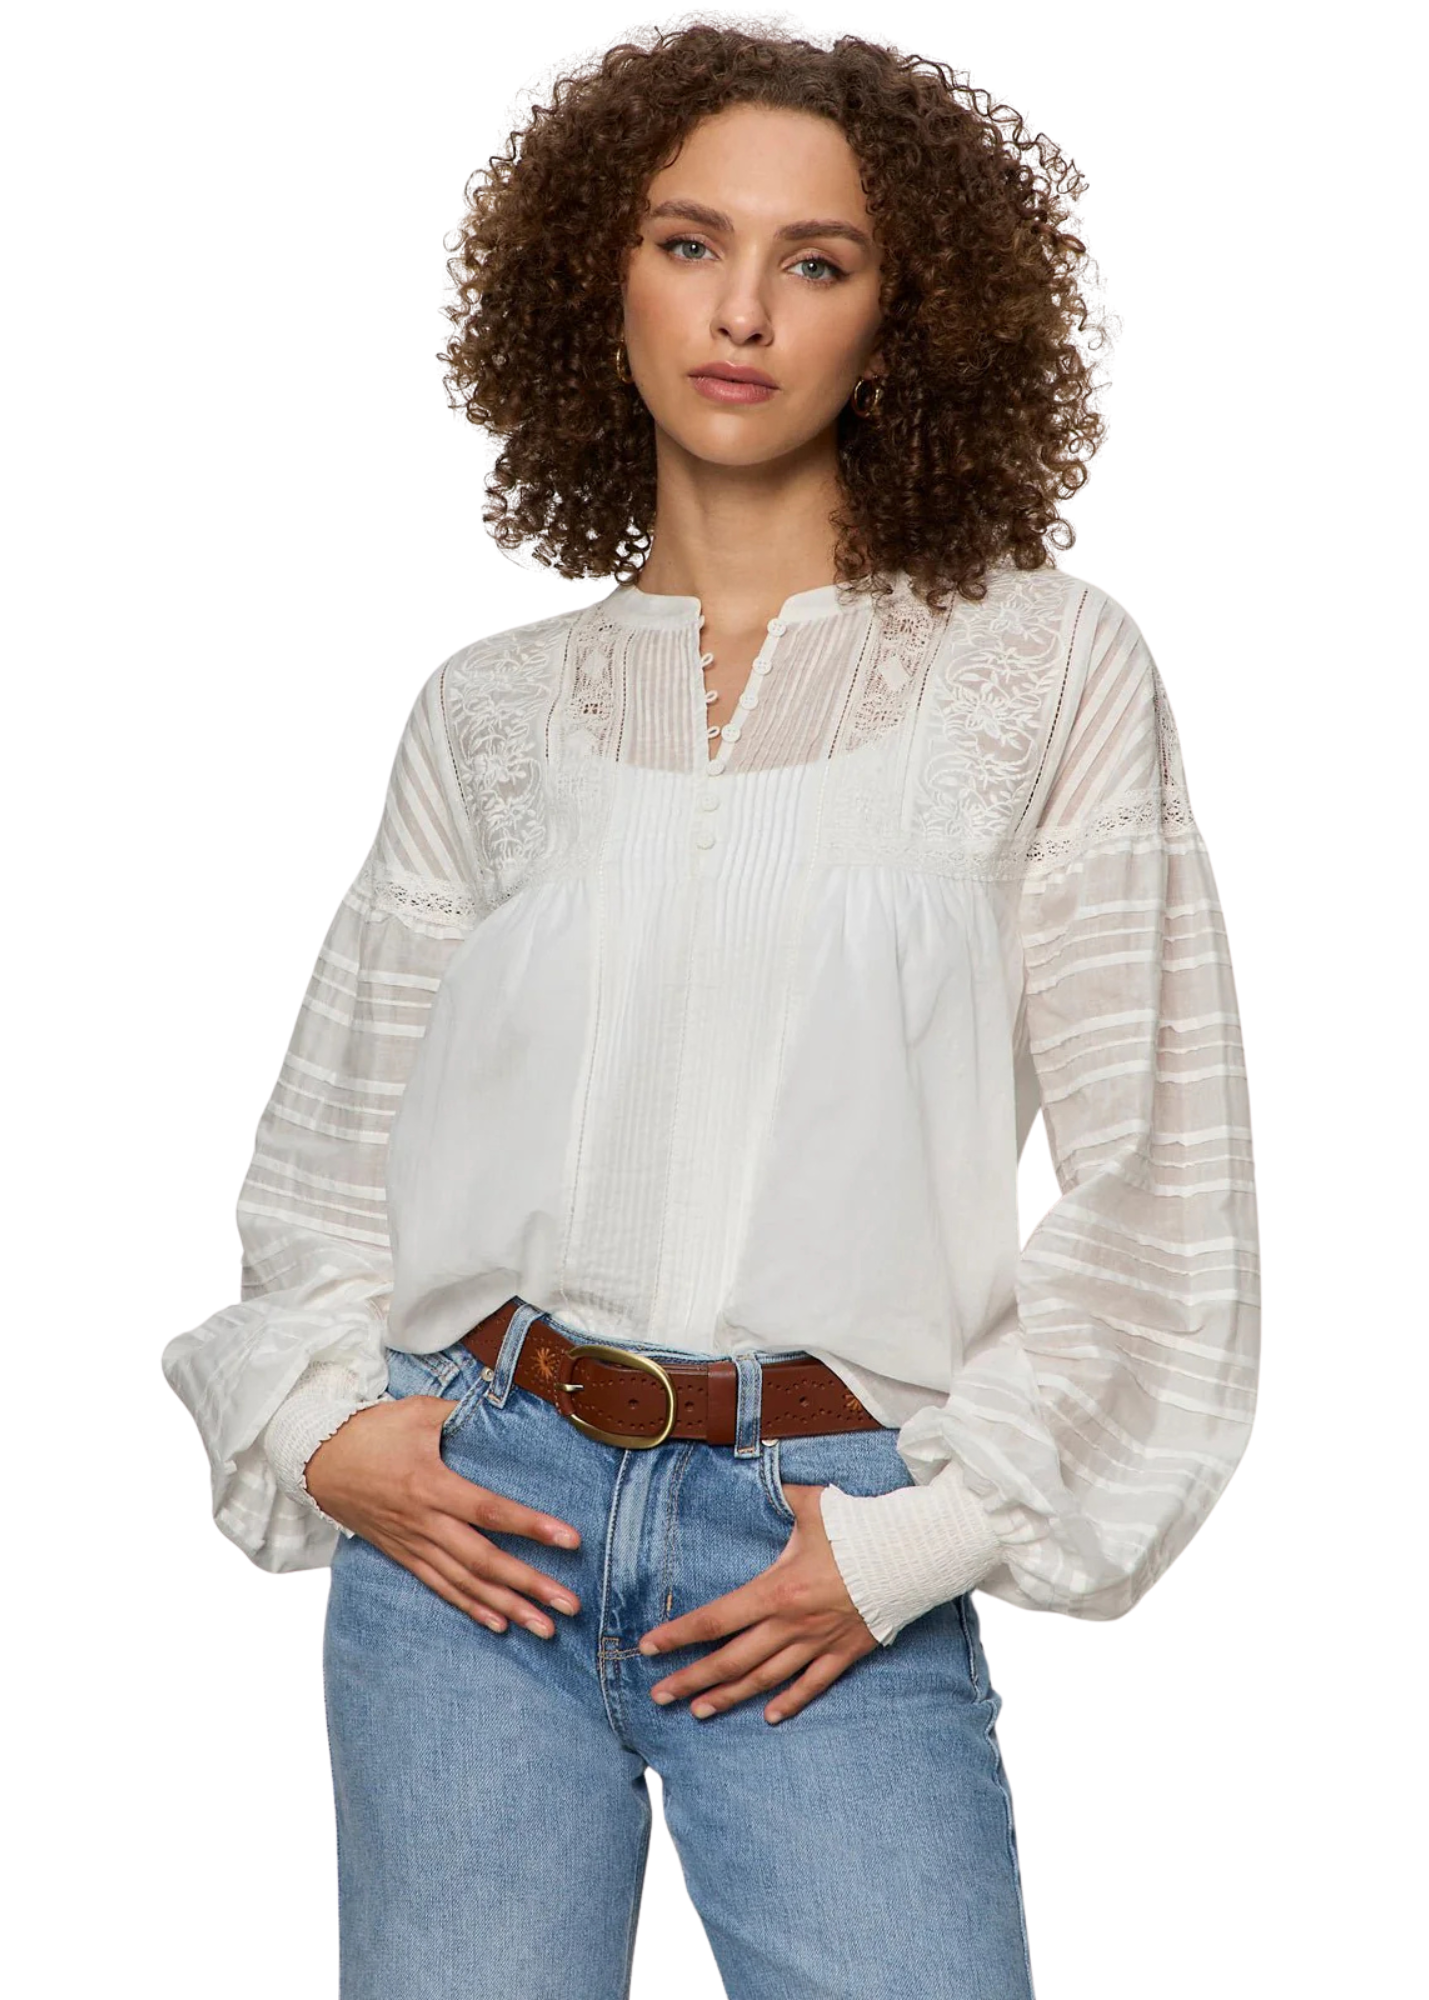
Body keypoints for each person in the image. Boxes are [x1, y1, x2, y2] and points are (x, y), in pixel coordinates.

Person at [162, 23, 1260, 2000]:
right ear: (599, 275)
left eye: (816, 262)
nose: (743, 310)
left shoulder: (1044, 672)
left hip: (820, 1543)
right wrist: (323, 1430)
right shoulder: (489, 713)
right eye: (690, 243)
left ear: (902, 319)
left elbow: (1160, 1184)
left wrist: (905, 1550)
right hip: (472, 1529)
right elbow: (331, 1152)